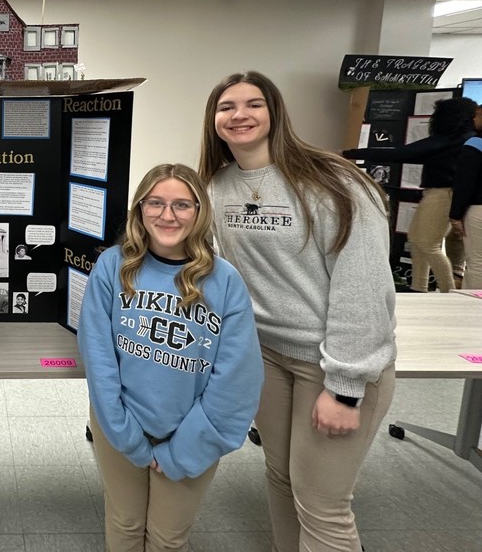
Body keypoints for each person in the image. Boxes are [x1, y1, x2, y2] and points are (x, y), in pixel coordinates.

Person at [199, 71, 397, 552]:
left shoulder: (335, 181)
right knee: (282, 479)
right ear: (214, 120)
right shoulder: (218, 186)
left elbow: (363, 289)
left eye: (253, 104)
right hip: (264, 356)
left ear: (276, 112)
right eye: (227, 107)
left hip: (329, 363)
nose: (239, 115)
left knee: (323, 504)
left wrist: (345, 389)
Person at [77, 162, 262, 551]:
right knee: (124, 524)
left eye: (182, 205)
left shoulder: (224, 280)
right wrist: (127, 436)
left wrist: (186, 449)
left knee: (168, 537)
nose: (167, 215)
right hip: (120, 425)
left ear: (199, 212)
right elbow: (99, 358)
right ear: (140, 209)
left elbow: (236, 381)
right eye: (155, 203)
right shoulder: (113, 267)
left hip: (191, 430)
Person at [343, 96, 478, 292]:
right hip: (443, 194)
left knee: (428, 244)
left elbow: (399, 153)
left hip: (442, 195)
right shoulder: (465, 138)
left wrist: (351, 154)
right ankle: (419, 287)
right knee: (416, 239)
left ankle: (448, 292)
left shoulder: (448, 139)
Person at [449, 105, 482, 288]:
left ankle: (472, 308)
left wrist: (455, 215)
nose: (473, 119)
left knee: (476, 262)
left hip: (478, 209)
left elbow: (465, 182)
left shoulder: (475, 144)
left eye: (477, 115)